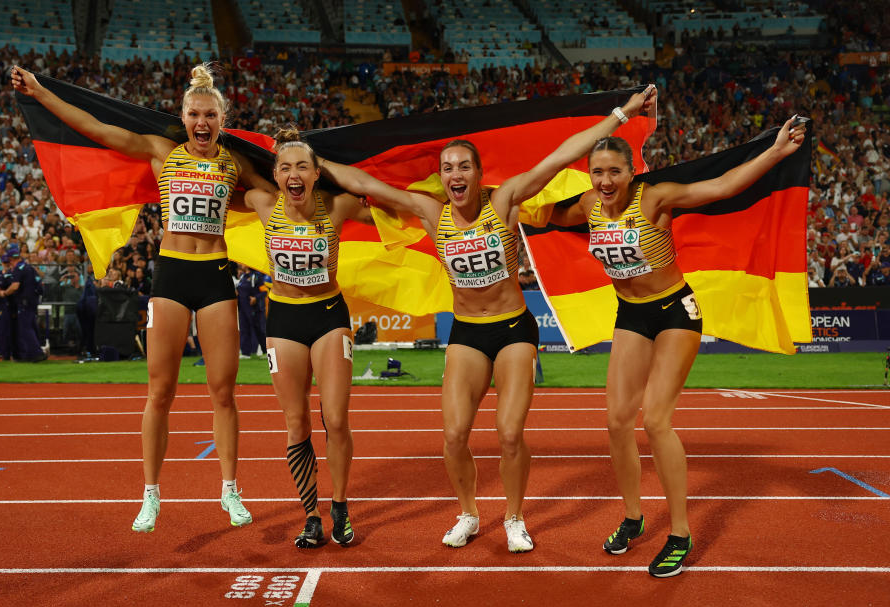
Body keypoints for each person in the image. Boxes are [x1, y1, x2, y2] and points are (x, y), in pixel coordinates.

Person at [319, 87, 656, 552]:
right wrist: (308, 158)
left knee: (509, 432)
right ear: (440, 178)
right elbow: (363, 184)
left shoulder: (505, 202)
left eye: (464, 166)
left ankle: (514, 517)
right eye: (447, 168)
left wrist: (621, 114)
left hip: (514, 327)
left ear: (479, 175)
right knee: (454, 435)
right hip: (467, 332)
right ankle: (469, 514)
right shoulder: (430, 212)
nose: (456, 175)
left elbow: (560, 158)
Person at [12, 63, 276, 532]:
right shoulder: (162, 151)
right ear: (183, 116)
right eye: (194, 114)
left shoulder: (235, 163)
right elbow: (95, 127)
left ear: (222, 118)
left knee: (223, 392)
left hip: (216, 276)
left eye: (210, 115)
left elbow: (276, 191)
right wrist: (39, 92)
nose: (201, 122)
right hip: (172, 276)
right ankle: (151, 495)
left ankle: (230, 490)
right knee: (160, 392)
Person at [547, 116, 807, 576]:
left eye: (614, 172)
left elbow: (723, 186)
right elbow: (540, 213)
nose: (605, 182)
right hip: (629, 313)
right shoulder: (588, 206)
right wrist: (497, 201)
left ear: (632, 172)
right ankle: (632, 516)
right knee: (615, 421)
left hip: (674, 312)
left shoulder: (656, 197)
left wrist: (776, 152)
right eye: (598, 172)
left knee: (657, 420)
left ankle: (680, 533)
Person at [243, 127, 371, 548]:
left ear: (317, 174)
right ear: (276, 176)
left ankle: (340, 507)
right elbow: (230, 169)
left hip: (329, 315)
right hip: (283, 320)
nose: (293, 174)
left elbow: (383, 203)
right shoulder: (261, 203)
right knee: (296, 421)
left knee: (335, 418)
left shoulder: (338, 205)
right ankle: (310, 516)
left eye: (303, 167)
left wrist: (325, 161)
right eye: (285, 167)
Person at [0, 244, 46, 362]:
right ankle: (33, 352)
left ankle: (36, 353)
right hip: (33, 301)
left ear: (11, 259)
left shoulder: (18, 269)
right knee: (32, 326)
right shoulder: (29, 267)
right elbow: (40, 283)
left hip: (24, 301)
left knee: (25, 328)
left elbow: (15, 286)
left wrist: (5, 293)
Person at [236, 265, 268, 357]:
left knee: (259, 330)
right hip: (242, 308)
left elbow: (264, 291)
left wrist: (255, 298)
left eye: (243, 263)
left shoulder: (256, 276)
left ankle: (266, 351)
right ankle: (246, 353)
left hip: (254, 308)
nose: (240, 264)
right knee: (244, 329)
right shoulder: (242, 276)